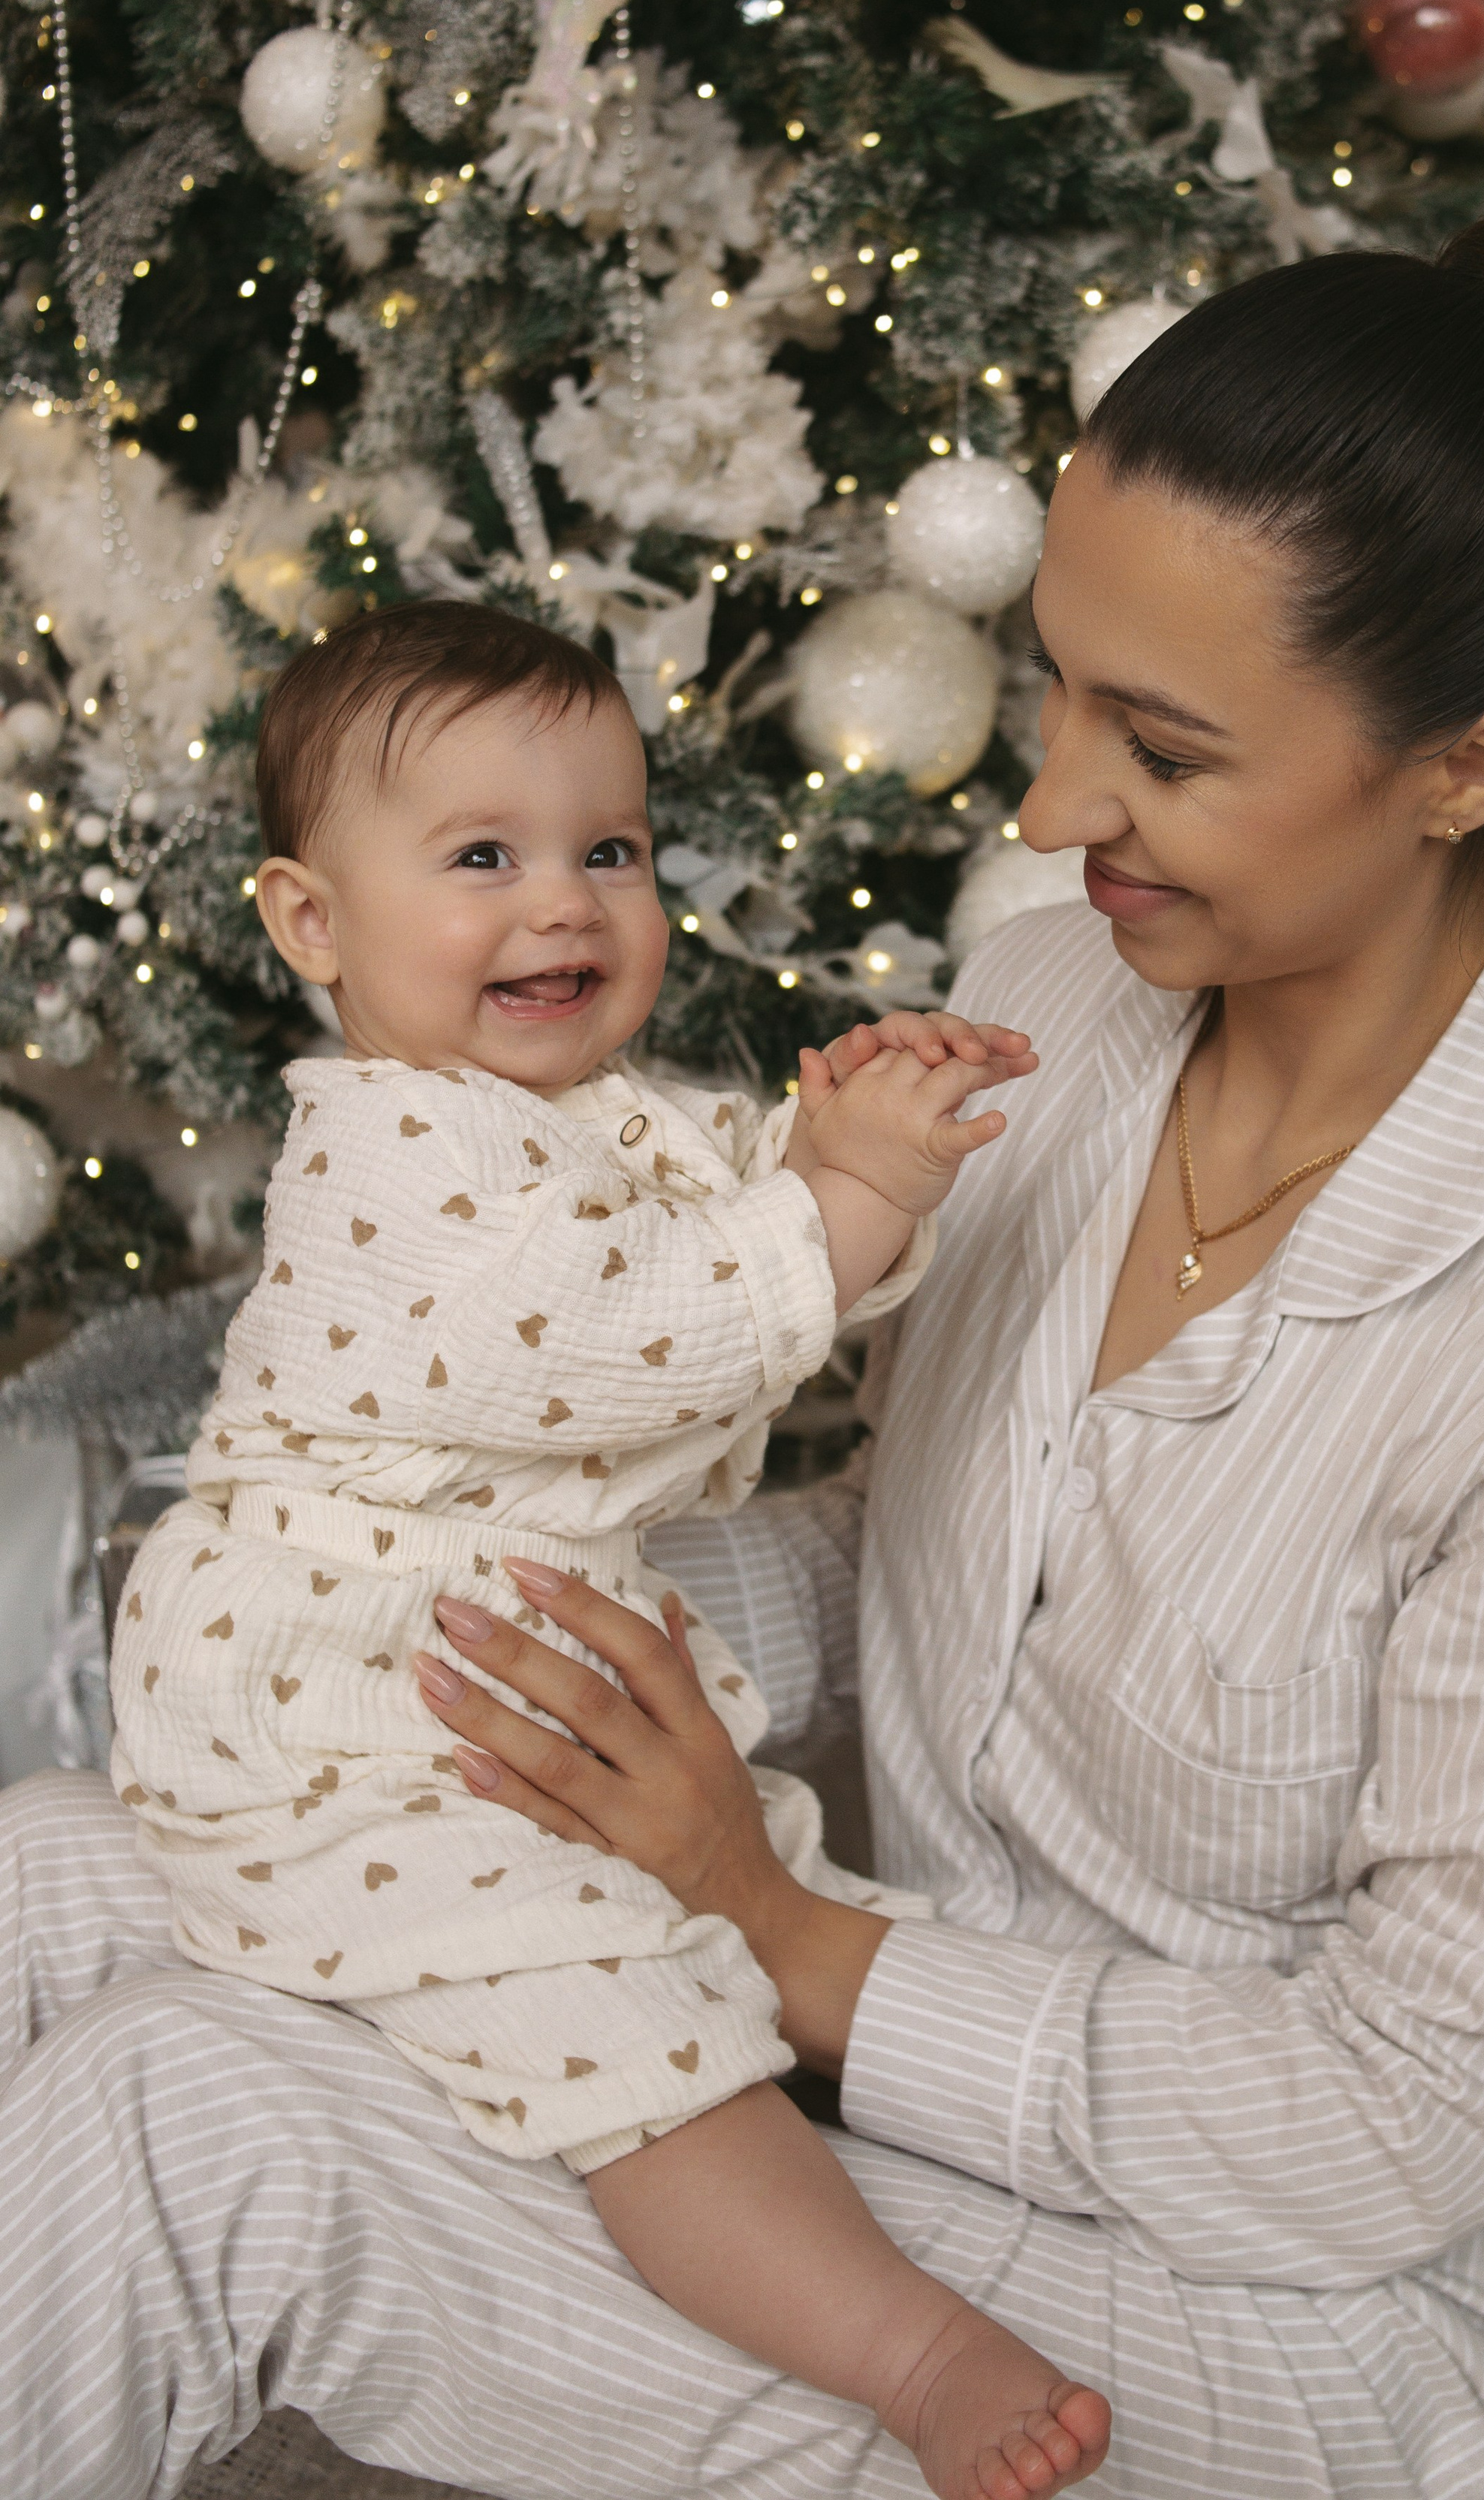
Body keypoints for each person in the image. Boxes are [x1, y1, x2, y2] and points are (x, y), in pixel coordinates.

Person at [0, 205, 1484, 2500]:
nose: (1050, 802)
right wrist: (432, 1649)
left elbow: (1401, 2126)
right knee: (54, 1877)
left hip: (1298, 2315)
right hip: (861, 2012)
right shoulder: (1070, 1024)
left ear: (1470, 767)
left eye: (1165, 746)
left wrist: (778, 1929)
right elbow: (920, 1534)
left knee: (176, 2109)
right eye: (1060, 685)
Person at [104, 599, 1110, 2500]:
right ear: (311, 922)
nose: (562, 903)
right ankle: (909, 2349)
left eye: (609, 850)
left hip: (441, 1652)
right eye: (481, 857)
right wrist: (855, 1193)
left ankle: (844, 2104)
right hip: (327, 1689)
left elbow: (727, 1195)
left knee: (731, 1895)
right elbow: (634, 1320)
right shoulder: (390, 1162)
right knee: (610, 2001)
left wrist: (843, 1125)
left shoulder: (572, 1110)